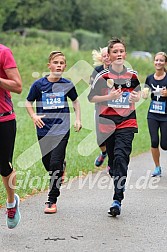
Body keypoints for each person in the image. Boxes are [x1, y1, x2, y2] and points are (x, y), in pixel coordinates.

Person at [88, 37, 141, 217]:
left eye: (121, 51)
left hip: (127, 121)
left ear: (125, 54)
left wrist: (136, 97)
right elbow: (91, 98)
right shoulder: (102, 76)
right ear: (109, 56)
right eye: (115, 52)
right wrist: (108, 98)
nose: (119, 54)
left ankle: (117, 199)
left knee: (121, 156)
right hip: (107, 124)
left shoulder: (132, 74)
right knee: (113, 162)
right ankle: (119, 177)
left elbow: (137, 93)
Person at [25, 51, 82, 214]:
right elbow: (28, 101)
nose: (59, 65)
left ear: (65, 66)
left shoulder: (67, 84)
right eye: (56, 62)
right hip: (43, 128)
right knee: (47, 162)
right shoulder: (38, 85)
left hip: (62, 129)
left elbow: (76, 101)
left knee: (55, 163)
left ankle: (52, 200)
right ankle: (60, 169)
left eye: (62, 63)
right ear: (49, 65)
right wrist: (33, 115)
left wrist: (78, 119)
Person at [0, 44, 22, 228]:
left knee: (4, 167)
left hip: (3, 119)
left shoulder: (3, 52)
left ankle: (11, 202)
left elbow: (18, 86)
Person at [142, 52, 167, 177]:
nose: (158, 62)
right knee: (154, 141)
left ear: (165, 63)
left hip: (165, 115)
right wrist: (143, 94)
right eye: (156, 60)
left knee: (165, 145)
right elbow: (146, 92)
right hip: (153, 114)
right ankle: (157, 167)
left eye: (161, 60)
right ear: (154, 62)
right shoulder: (149, 78)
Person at [90, 47, 111, 167]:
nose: (107, 57)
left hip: (114, 108)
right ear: (101, 58)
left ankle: (111, 163)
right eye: (104, 56)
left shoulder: (118, 71)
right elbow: (92, 90)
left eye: (108, 55)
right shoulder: (97, 71)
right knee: (100, 139)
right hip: (100, 106)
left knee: (113, 137)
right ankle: (104, 153)